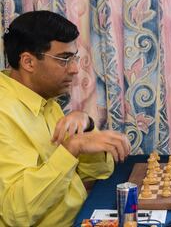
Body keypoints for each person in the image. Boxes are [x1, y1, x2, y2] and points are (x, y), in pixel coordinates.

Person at [0, 11, 131, 226]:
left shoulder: (43, 98)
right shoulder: (4, 113)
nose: (75, 69)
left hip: (80, 214)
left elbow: (97, 172)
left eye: (74, 57)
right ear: (28, 62)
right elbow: (16, 213)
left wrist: (87, 126)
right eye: (64, 59)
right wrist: (71, 149)